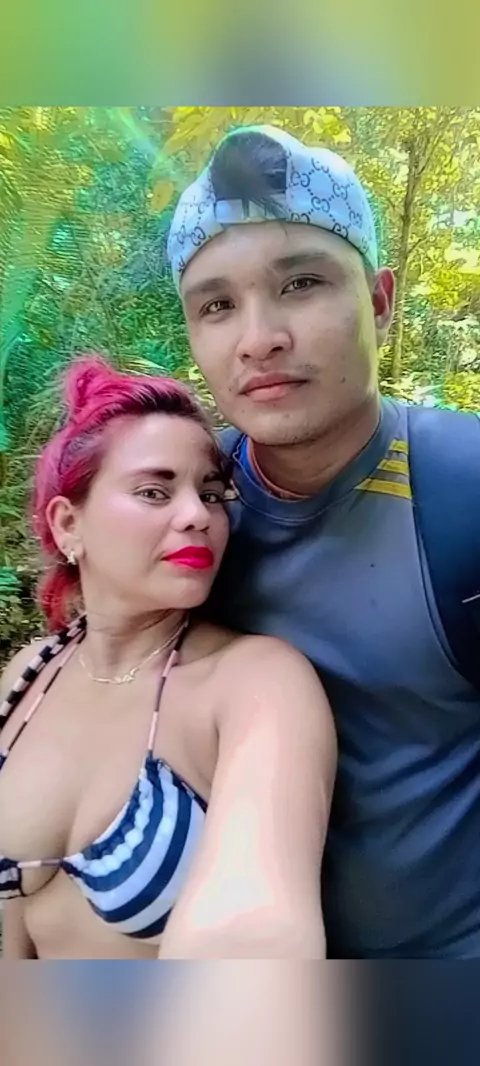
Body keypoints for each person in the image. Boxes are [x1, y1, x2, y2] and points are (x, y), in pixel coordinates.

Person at [167, 124, 480, 959]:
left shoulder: (462, 490)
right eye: (217, 305)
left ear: (379, 300)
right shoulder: (186, 507)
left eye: (301, 283)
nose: (258, 337)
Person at [0, 355, 336, 960]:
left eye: (211, 493)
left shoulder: (254, 683)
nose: (198, 516)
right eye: (154, 491)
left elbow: (255, 928)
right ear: (69, 524)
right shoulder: (26, 679)